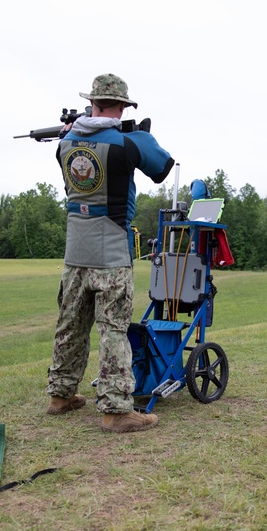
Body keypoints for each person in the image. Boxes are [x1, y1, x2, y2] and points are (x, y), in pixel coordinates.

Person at [45, 74, 175, 433]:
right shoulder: (127, 144)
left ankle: (60, 394)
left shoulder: (64, 145)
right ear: (122, 107)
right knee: (113, 330)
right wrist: (142, 135)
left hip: (75, 251)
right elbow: (162, 167)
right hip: (112, 251)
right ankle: (116, 410)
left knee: (70, 326)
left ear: (92, 103)